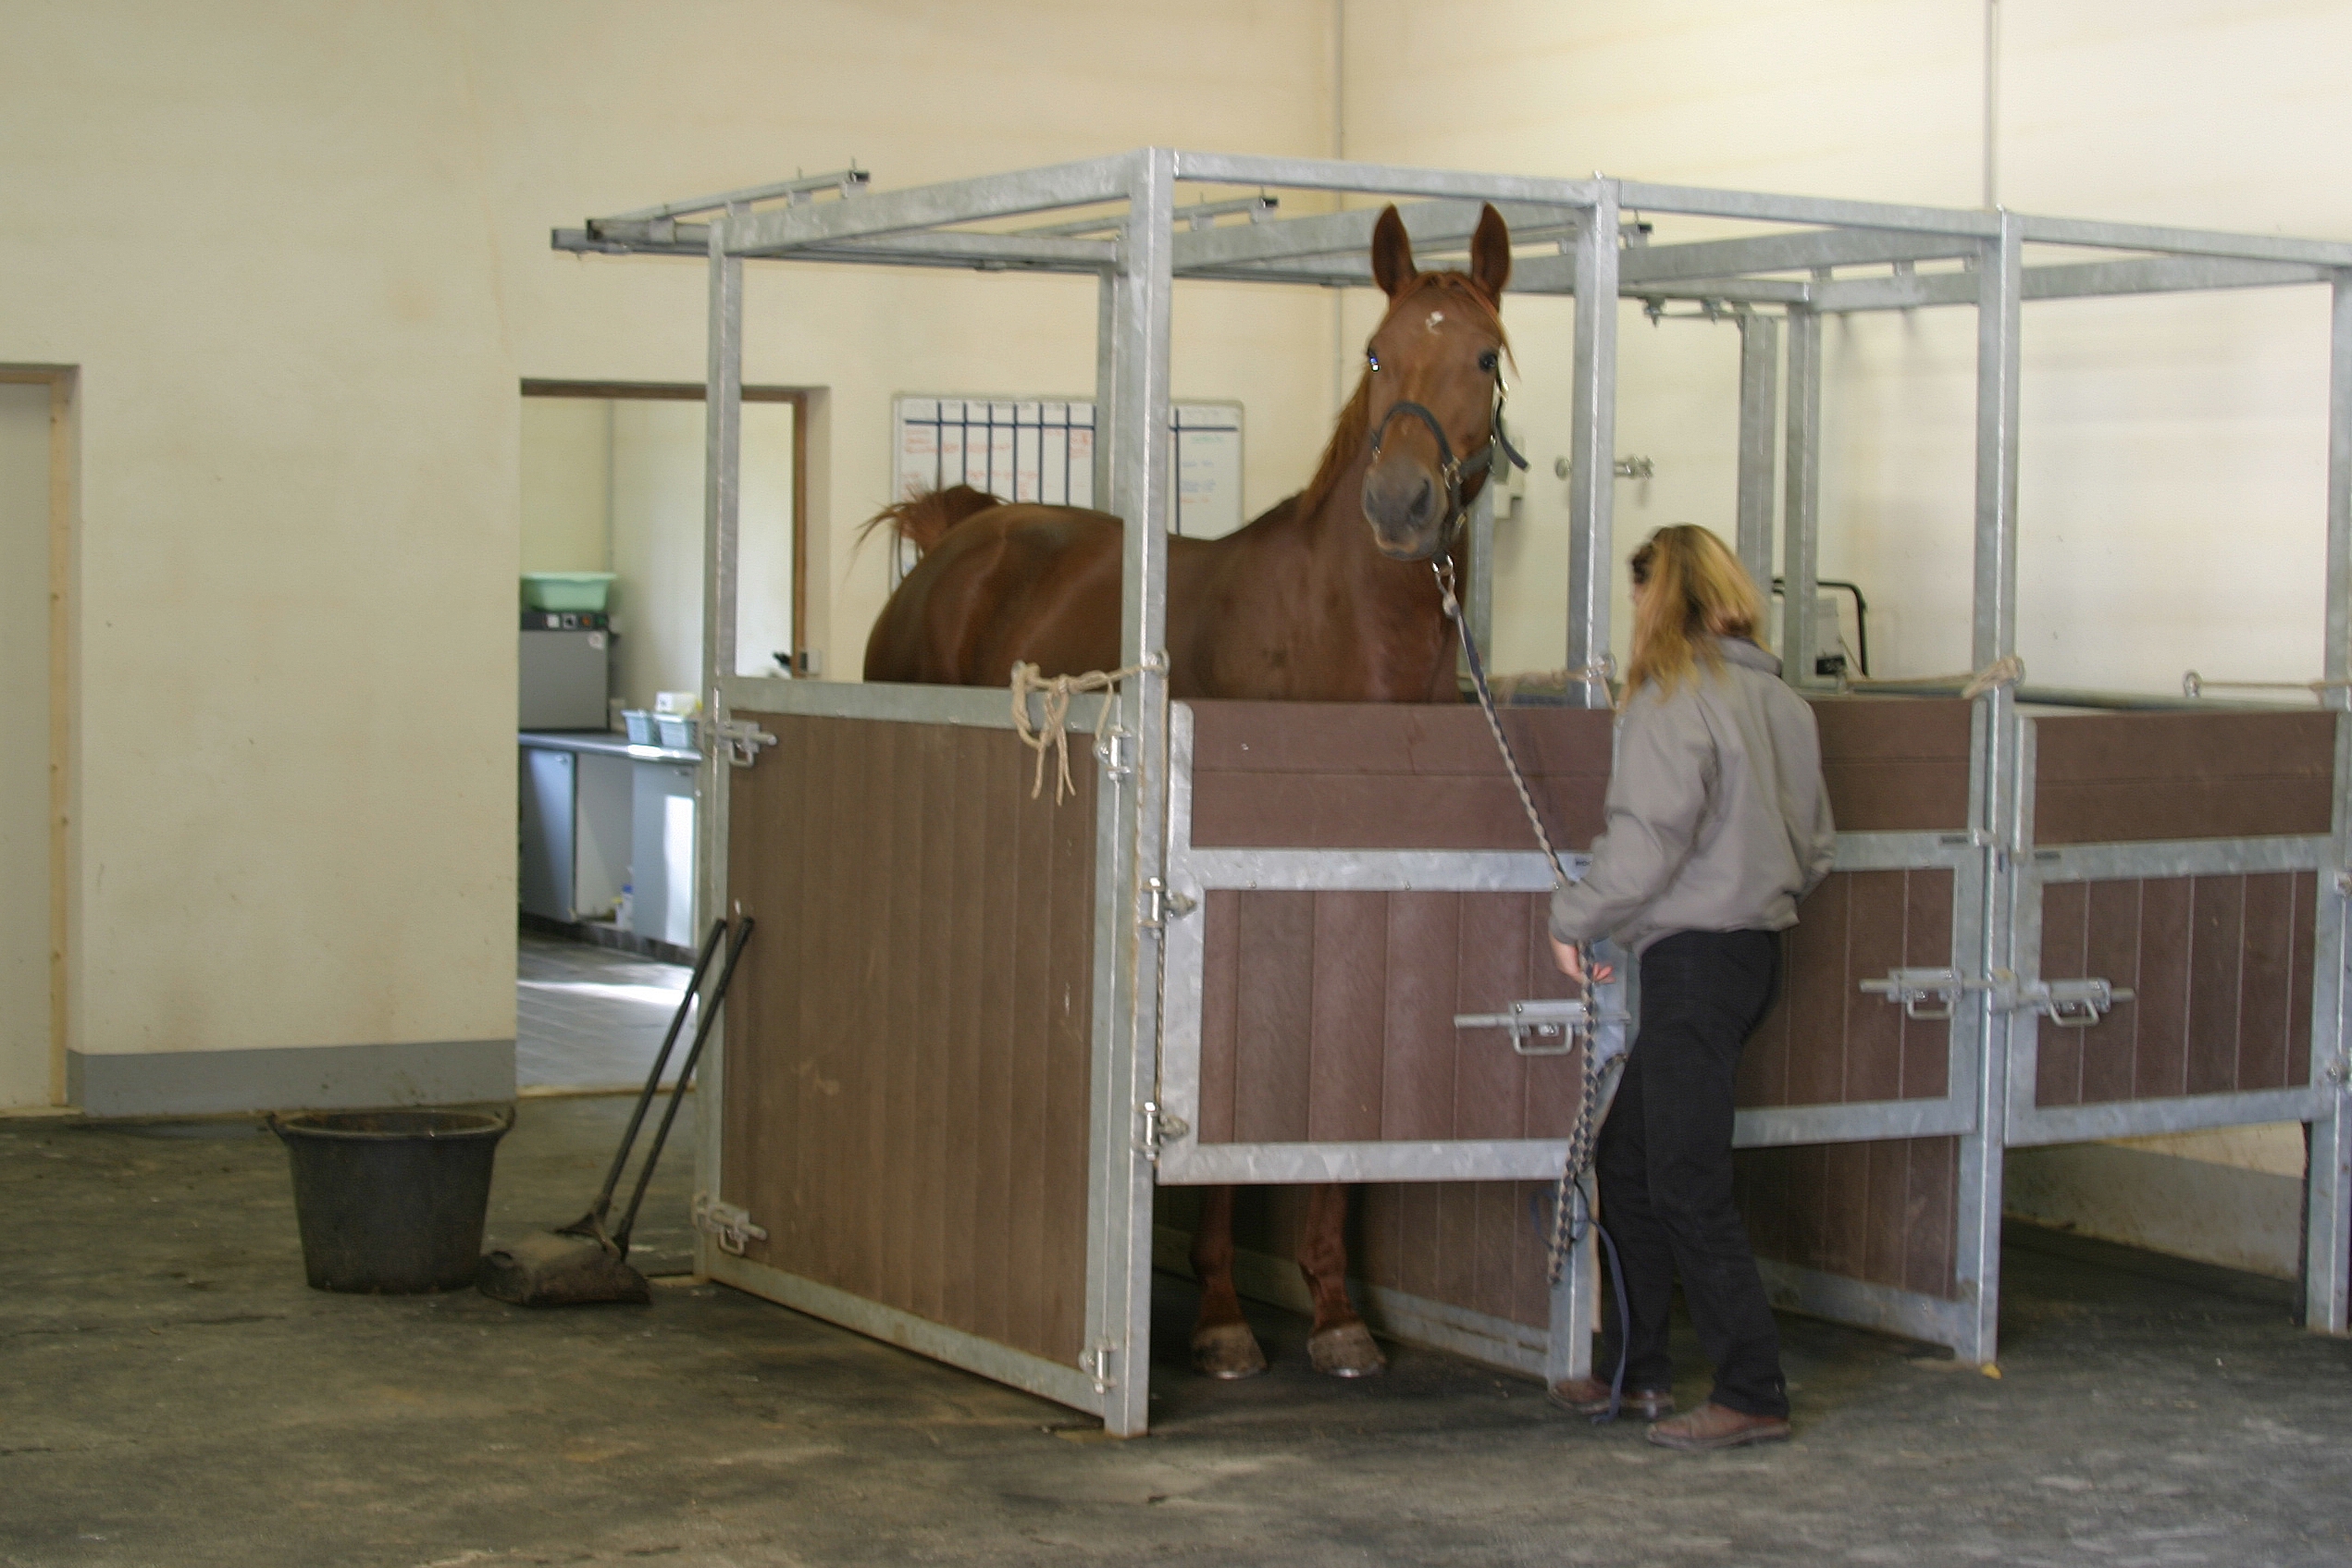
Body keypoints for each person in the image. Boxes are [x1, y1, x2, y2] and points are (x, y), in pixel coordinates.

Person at [1546, 524, 1836, 1451]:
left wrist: (1575, 916)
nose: (1634, 619)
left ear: (1660, 598)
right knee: (1629, 1160)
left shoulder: (1674, 698)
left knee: (1681, 1176)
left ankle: (1752, 1388)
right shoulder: (1784, 704)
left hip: (1693, 964)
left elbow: (1644, 845)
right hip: (1752, 957)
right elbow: (1817, 848)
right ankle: (1636, 1372)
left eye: (1638, 600)